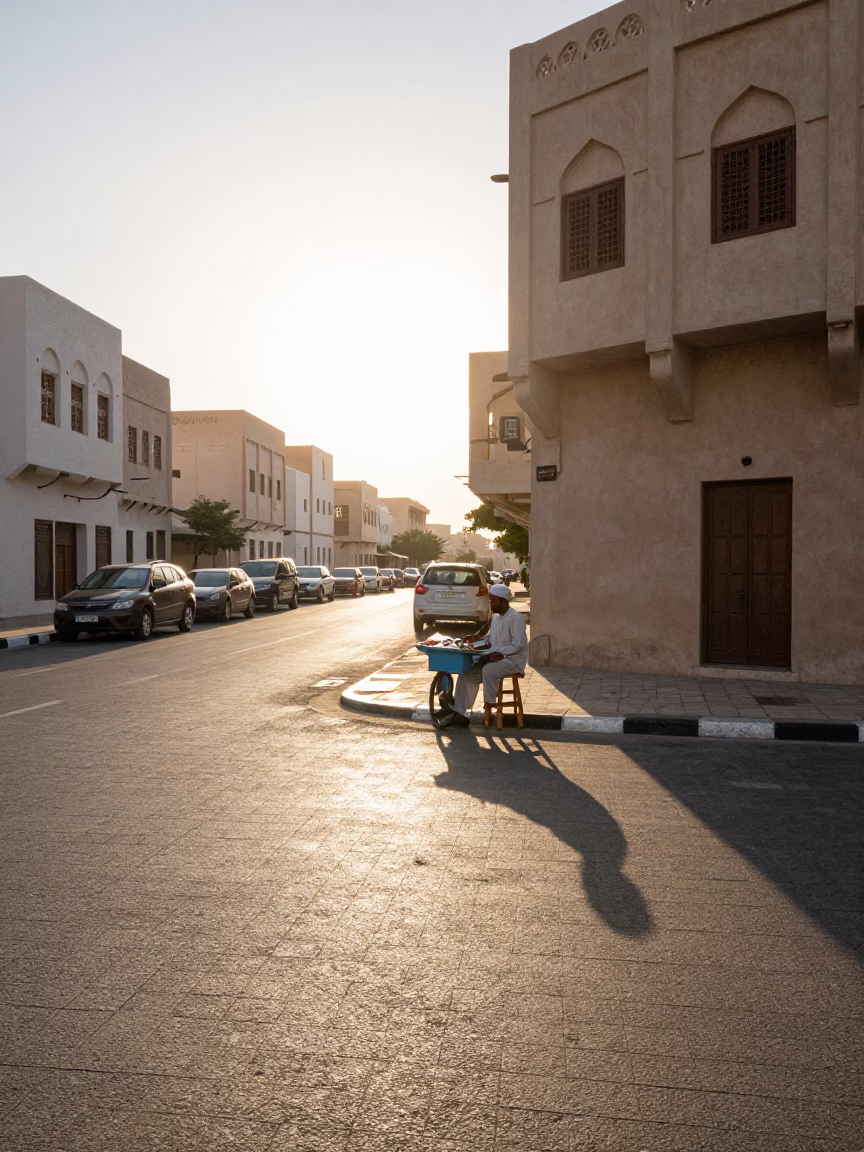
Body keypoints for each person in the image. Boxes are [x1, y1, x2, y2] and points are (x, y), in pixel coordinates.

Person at [446, 583, 529, 726]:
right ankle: (461, 713)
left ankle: (489, 706)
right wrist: (478, 640)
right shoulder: (496, 617)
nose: (490, 603)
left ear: (503, 601)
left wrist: (499, 652)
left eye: (493, 600)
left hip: (512, 661)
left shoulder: (516, 617)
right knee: (466, 672)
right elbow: (491, 639)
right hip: (496, 657)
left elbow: (518, 645)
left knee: (488, 670)